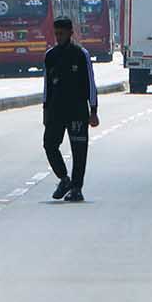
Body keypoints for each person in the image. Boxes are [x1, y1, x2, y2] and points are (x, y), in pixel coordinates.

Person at [43, 17, 99, 202]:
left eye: (62, 33)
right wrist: (45, 109)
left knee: (79, 150)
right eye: (56, 33)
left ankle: (76, 187)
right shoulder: (50, 55)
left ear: (70, 33)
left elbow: (91, 83)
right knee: (49, 145)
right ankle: (64, 179)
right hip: (56, 111)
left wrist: (93, 110)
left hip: (77, 112)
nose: (58, 37)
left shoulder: (81, 54)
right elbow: (47, 86)